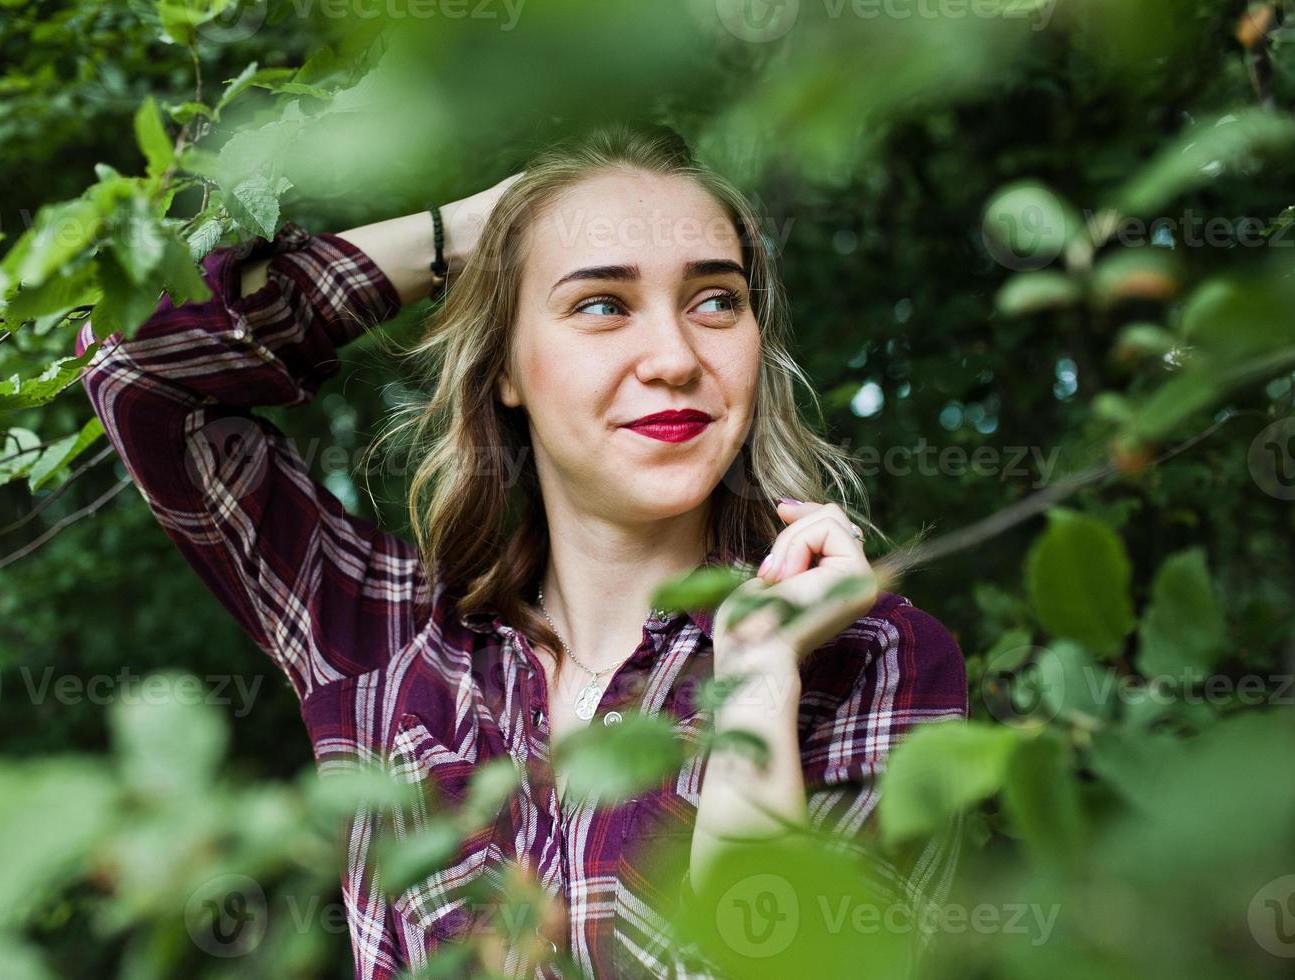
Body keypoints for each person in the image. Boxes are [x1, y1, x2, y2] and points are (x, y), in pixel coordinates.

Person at [74, 123, 968, 978]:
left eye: (714, 300)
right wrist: (470, 231)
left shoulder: (872, 655)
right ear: (504, 367)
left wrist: (761, 681)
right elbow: (133, 364)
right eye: (600, 303)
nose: (675, 356)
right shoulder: (380, 646)